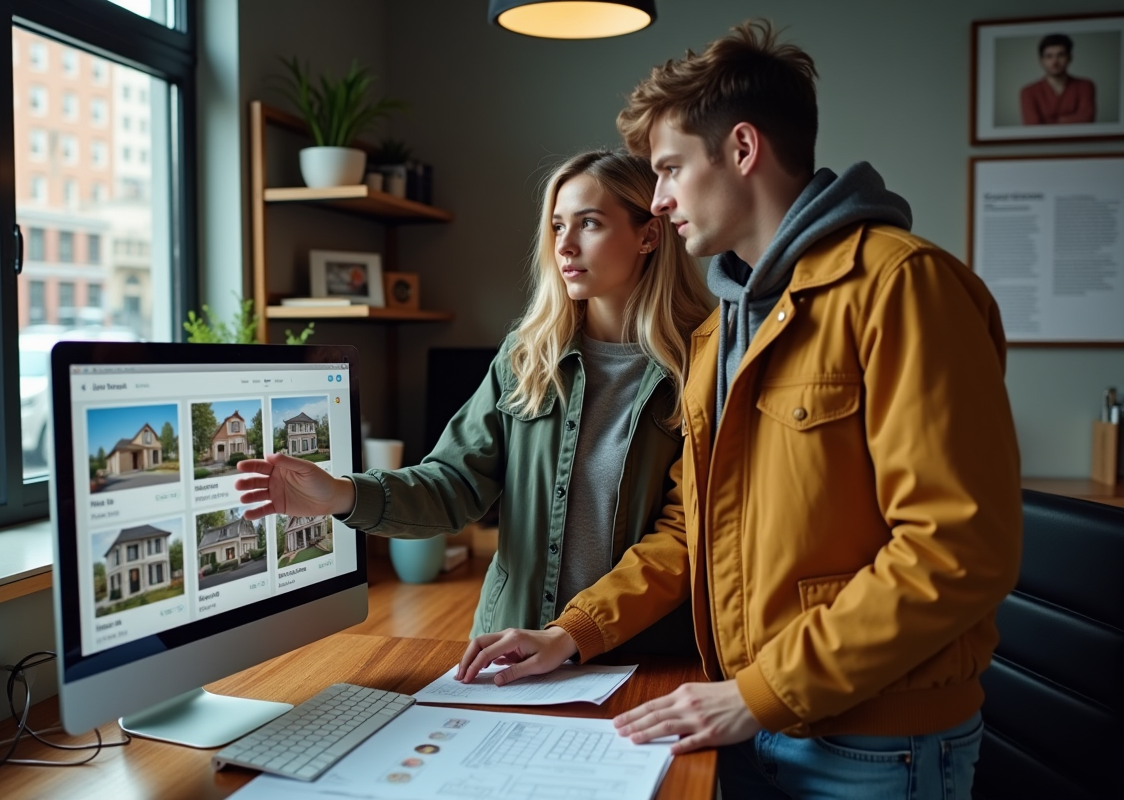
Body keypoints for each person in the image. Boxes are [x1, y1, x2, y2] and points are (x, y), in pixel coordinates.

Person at [456, 20, 1022, 800]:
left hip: (872, 744)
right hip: (746, 723)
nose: (657, 200)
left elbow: (954, 550)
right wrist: (571, 633)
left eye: (670, 170)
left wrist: (757, 695)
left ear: (743, 150)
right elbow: (690, 528)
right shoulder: (723, 328)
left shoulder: (904, 287)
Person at [236, 149, 714, 641]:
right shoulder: (527, 357)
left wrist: (576, 632)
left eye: (588, 224)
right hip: (511, 649)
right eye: (556, 227)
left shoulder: (703, 362)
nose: (564, 246)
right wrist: (340, 493)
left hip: (642, 656)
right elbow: (452, 484)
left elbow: (683, 538)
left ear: (649, 235)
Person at [1019, 33, 1095, 125]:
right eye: (1049, 56)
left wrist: (1050, 122)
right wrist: (1068, 120)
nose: (1055, 61)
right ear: (1041, 61)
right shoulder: (1028, 92)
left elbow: (1086, 118)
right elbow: (1032, 125)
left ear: (1070, 58)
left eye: (1061, 55)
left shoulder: (1085, 86)